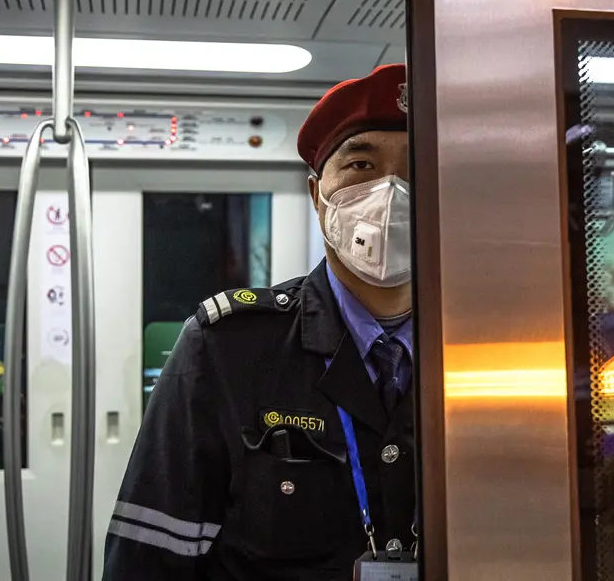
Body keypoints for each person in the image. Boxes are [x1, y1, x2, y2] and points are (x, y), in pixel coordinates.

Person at [103, 64, 416, 580]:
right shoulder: (227, 348)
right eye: (361, 165)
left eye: (416, 168)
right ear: (318, 197)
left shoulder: (486, 355)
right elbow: (146, 564)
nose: (391, 193)